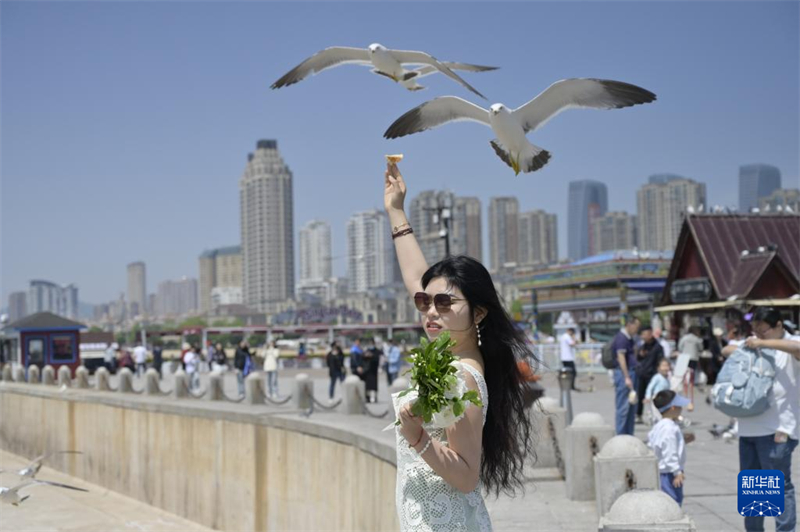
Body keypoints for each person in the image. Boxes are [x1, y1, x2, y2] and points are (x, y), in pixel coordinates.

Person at [385, 160, 534, 530]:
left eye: (445, 303)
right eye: (425, 303)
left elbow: (466, 476)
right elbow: (414, 276)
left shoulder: (461, 376)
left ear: (479, 313)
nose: (431, 312)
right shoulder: (452, 356)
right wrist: (396, 210)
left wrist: (416, 436)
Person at [730, 307, 800, 532]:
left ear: (779, 325)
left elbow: (798, 348)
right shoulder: (753, 344)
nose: (759, 335)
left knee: (779, 485)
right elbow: (726, 350)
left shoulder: (790, 343)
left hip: (777, 429)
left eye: (764, 330)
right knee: (754, 488)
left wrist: (762, 344)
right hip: (749, 428)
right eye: (755, 330)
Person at [648, 390, 693, 506]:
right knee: (673, 502)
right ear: (673, 408)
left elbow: (656, 445)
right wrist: (677, 472)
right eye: (679, 406)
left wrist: (683, 440)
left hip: (662, 471)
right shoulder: (669, 429)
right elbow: (669, 451)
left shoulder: (660, 425)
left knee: (666, 501)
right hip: (669, 473)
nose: (681, 408)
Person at [611, 316, 641, 435]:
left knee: (631, 405)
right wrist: (627, 376)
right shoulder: (621, 338)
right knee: (623, 407)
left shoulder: (629, 338)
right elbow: (621, 357)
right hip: (625, 373)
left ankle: (629, 434)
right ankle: (621, 434)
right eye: (636, 327)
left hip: (631, 372)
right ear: (629, 324)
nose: (637, 330)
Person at [635, 327, 664, 424]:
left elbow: (660, 360)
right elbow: (638, 359)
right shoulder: (643, 346)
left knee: (653, 396)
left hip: (652, 375)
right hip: (642, 374)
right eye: (642, 335)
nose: (642, 337)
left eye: (644, 334)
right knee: (640, 395)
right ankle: (638, 415)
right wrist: (640, 355)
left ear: (650, 334)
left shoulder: (658, 347)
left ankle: (654, 415)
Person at [363, 338, 382, 403]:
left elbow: (378, 359)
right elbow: (363, 358)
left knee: (374, 385)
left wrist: (372, 356)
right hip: (368, 371)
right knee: (368, 385)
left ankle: (374, 397)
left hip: (374, 371)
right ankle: (368, 397)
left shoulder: (377, 351)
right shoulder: (367, 350)